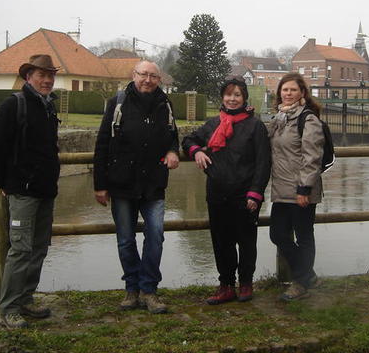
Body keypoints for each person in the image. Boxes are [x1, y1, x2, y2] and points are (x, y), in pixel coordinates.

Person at [93, 61, 179, 314]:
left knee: (155, 236)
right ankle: (132, 288)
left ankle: (149, 290)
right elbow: (102, 144)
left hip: (153, 184)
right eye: (143, 75)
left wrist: (174, 150)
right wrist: (100, 185)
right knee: (125, 240)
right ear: (134, 76)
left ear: (159, 80)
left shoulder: (166, 104)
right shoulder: (117, 102)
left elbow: (173, 135)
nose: (148, 80)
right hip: (122, 183)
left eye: (153, 76)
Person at [0, 54, 61, 329]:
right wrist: (5, 183)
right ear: (29, 77)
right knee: (20, 249)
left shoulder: (48, 107)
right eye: (42, 75)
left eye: (50, 75)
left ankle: (26, 299)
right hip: (23, 192)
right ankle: (9, 308)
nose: (47, 80)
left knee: (39, 248)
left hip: (45, 190)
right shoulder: (13, 105)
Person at [182, 76, 271, 304]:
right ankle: (226, 286)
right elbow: (189, 139)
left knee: (246, 240)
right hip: (217, 193)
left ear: (244, 98)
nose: (232, 99)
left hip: (245, 195)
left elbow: (263, 162)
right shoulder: (213, 124)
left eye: (237, 95)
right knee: (221, 241)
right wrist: (196, 151)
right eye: (229, 94)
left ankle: (246, 284)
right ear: (223, 97)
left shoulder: (255, 126)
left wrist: (256, 193)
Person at [269, 72, 325, 301]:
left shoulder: (308, 119)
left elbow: (312, 156)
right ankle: (307, 275)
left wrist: (304, 189)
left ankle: (300, 282)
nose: (288, 93)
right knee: (278, 234)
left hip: (301, 189)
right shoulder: (279, 118)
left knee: (303, 236)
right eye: (285, 89)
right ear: (279, 93)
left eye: (293, 90)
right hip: (281, 188)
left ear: (302, 93)